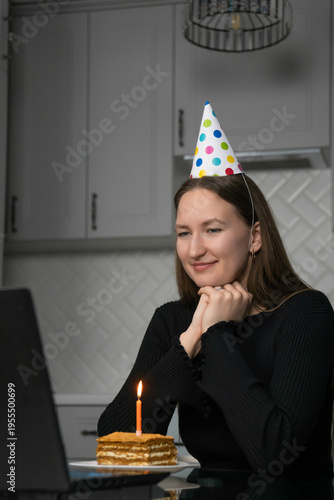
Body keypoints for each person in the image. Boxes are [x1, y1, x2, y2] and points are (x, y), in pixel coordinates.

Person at [98, 102, 334, 476]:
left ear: (254, 236)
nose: (193, 250)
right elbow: (115, 440)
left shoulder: (306, 313)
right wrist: (190, 339)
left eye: (212, 229)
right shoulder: (173, 319)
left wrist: (217, 335)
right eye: (183, 233)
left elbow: (276, 457)